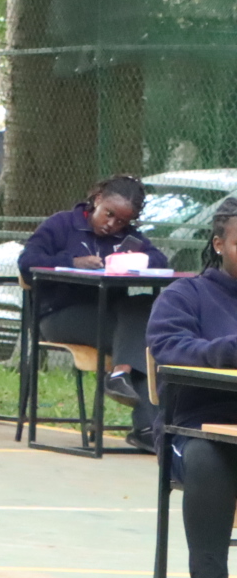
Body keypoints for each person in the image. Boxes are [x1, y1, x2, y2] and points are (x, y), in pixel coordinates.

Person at [144, 197, 237, 578]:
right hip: (199, 428)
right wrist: (226, 350)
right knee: (206, 456)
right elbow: (167, 347)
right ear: (219, 244)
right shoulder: (186, 296)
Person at [19, 174, 170, 452]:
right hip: (59, 315)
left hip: (110, 318)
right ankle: (145, 427)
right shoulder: (62, 224)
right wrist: (72, 262)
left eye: (121, 221)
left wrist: (136, 260)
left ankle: (121, 375)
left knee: (144, 308)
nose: (112, 225)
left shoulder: (127, 238)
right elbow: (27, 262)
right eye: (109, 214)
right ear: (97, 199)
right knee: (145, 338)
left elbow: (161, 260)